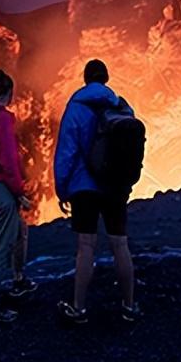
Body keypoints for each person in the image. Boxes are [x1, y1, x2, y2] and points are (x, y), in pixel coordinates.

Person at [53, 59, 141, 324]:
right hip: (114, 186)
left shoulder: (76, 109)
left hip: (84, 188)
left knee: (86, 246)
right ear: (106, 79)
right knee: (120, 244)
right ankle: (129, 305)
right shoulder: (121, 106)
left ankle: (79, 308)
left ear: (85, 79)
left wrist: (62, 188)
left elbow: (66, 152)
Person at [0, 69, 37, 322]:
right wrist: (19, 192)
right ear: (10, 93)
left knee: (20, 231)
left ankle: (18, 280)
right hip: (1, 190)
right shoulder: (1, 119)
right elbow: (9, 161)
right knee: (2, 245)